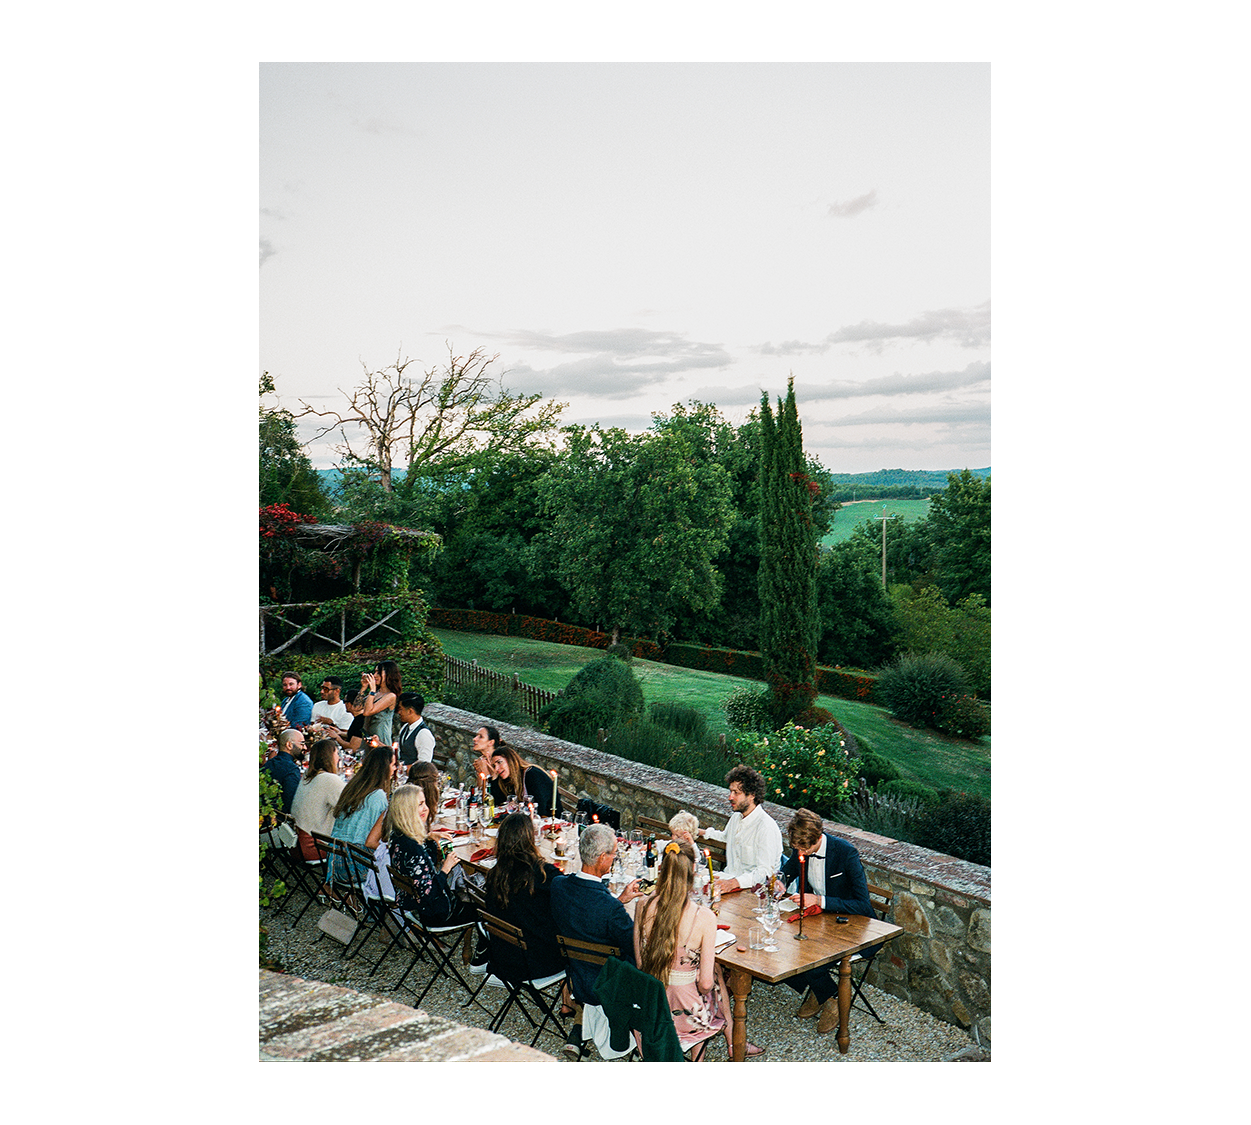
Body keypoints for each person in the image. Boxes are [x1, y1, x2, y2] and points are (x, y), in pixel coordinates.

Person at [779, 807, 877, 1035]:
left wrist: (820, 900)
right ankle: (823, 991)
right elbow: (788, 871)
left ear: (818, 839)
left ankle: (830, 996)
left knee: (807, 960)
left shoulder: (846, 853)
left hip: (852, 925)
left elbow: (863, 905)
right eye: (797, 849)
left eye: (805, 849)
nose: (800, 853)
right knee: (781, 948)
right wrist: (780, 882)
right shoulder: (801, 847)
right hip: (819, 921)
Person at [634, 838, 735, 1059]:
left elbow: (641, 963)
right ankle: (721, 1048)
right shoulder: (704, 917)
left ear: (662, 868)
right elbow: (705, 984)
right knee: (715, 984)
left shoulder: (643, 905)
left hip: (650, 1003)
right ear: (692, 871)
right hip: (686, 1012)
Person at [549, 822, 640, 1059]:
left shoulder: (558, 886)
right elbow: (636, 947)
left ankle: (581, 1024)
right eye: (613, 855)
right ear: (602, 858)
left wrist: (619, 899)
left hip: (577, 977)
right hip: (608, 985)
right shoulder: (609, 909)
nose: (614, 859)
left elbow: (587, 917)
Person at [483, 813, 567, 991]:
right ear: (530, 839)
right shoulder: (544, 875)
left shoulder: (495, 874)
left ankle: (567, 1001)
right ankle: (573, 1000)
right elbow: (572, 899)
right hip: (535, 964)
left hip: (503, 957)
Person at [386, 785, 477, 928]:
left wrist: (428, 838)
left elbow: (424, 866)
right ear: (407, 811)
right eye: (420, 805)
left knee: (469, 889)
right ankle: (483, 947)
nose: (426, 808)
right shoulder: (413, 848)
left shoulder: (397, 836)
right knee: (485, 908)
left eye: (425, 803)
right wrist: (445, 869)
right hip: (435, 914)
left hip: (414, 905)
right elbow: (429, 894)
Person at [701, 764, 783, 897]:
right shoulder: (735, 817)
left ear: (752, 795)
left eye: (736, 793)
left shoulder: (766, 827)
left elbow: (765, 873)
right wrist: (700, 832)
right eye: (730, 791)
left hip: (752, 895)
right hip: (726, 884)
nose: (730, 797)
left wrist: (734, 883)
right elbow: (725, 837)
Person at [325, 744, 396, 897]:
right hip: (353, 865)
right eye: (393, 764)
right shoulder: (378, 797)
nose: (395, 769)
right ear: (384, 767)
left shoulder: (353, 787)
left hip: (334, 860)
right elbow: (374, 841)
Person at [476, 735, 560, 816]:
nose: (497, 768)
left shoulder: (532, 774)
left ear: (511, 760)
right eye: (494, 766)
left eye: (499, 762)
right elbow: (498, 803)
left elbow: (540, 809)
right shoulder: (509, 778)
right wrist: (494, 777)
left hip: (548, 822)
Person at [290, 739, 346, 860]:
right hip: (314, 847)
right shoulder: (329, 779)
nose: (339, 758)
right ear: (330, 756)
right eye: (337, 754)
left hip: (295, 843)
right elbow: (349, 807)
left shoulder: (307, 775)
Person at [263, 727, 305, 814]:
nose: (305, 747)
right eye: (302, 744)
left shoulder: (270, 763)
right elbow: (292, 803)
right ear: (289, 745)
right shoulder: (291, 769)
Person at [359, 660, 400, 747]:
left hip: (380, 739)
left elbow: (367, 712)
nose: (374, 675)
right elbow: (356, 709)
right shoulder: (375, 693)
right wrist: (363, 688)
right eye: (375, 672)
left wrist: (372, 690)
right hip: (368, 737)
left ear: (389, 675)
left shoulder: (391, 696)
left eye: (378, 672)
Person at [395, 691, 435, 766]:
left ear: (410, 711)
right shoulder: (405, 728)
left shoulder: (424, 734)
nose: (399, 712)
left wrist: (403, 769)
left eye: (401, 709)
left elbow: (423, 764)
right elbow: (398, 751)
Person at [324, 688, 366, 753]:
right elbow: (355, 735)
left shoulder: (360, 721)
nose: (344, 704)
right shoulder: (358, 719)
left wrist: (337, 738)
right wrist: (340, 733)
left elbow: (353, 748)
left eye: (345, 702)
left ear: (349, 704)